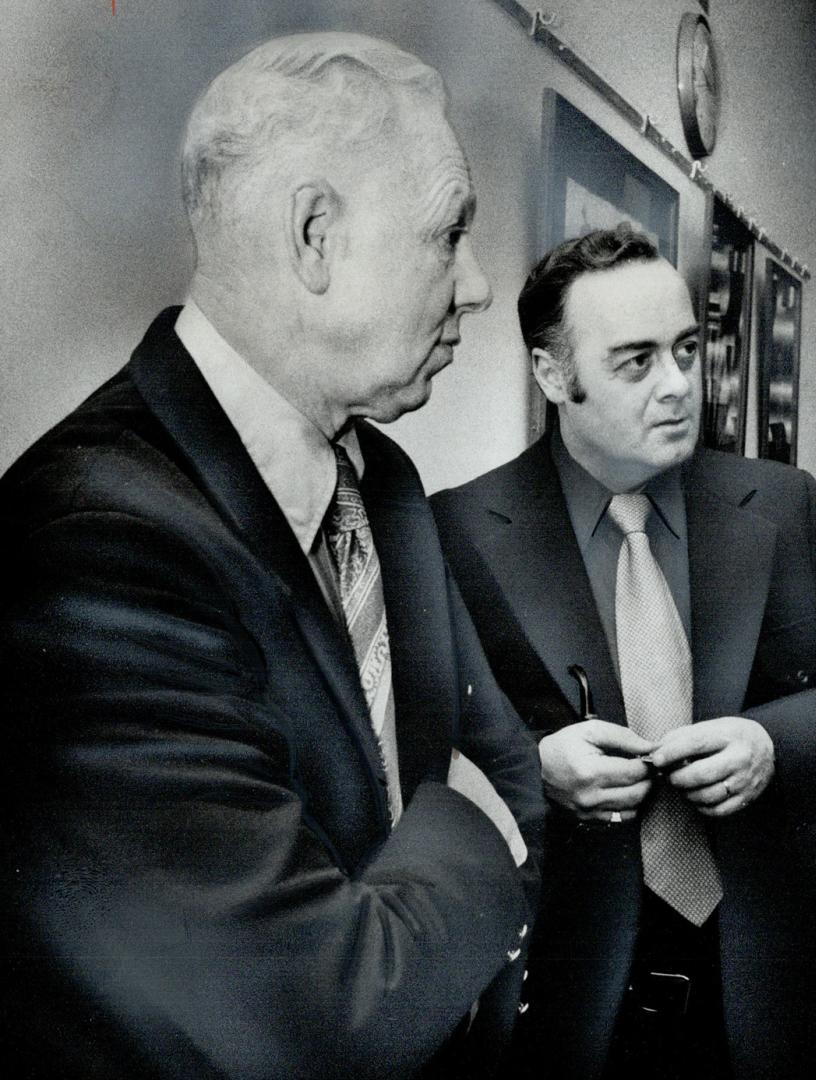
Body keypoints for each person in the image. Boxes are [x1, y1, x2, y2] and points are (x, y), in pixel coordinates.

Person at [0, 33, 545, 1079]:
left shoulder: (382, 481)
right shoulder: (98, 542)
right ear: (313, 237)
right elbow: (320, 1014)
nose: (478, 286)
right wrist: (475, 835)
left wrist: (456, 845)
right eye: (449, 233)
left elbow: (506, 758)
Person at [431, 224, 816, 1079]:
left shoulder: (781, 505)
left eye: (687, 350)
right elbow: (424, 759)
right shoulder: (460, 533)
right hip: (570, 1011)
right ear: (554, 375)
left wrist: (773, 746)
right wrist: (537, 768)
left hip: (768, 1002)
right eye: (636, 361)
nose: (679, 385)